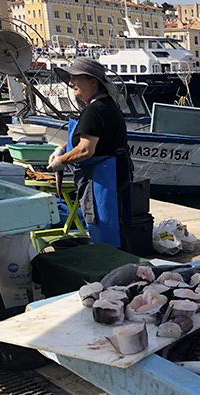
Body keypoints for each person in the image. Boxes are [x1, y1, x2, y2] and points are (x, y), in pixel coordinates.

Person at [46, 57, 133, 250]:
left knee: (106, 229)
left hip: (102, 178)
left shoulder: (95, 110)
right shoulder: (107, 105)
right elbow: (90, 137)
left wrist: (60, 161)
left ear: (93, 82)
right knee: (114, 226)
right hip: (111, 173)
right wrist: (62, 147)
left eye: (75, 78)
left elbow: (86, 149)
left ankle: (113, 265)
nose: (71, 83)